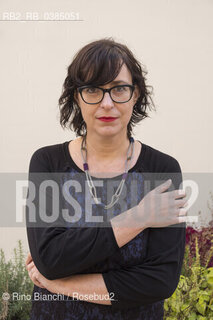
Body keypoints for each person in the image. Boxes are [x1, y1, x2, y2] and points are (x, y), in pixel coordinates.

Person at [25, 38, 187, 320]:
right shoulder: (47, 163)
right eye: (92, 89)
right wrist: (140, 216)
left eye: (119, 89)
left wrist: (58, 284)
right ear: (77, 96)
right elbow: (50, 259)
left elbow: (159, 281)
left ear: (136, 94)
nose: (107, 103)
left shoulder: (162, 170)